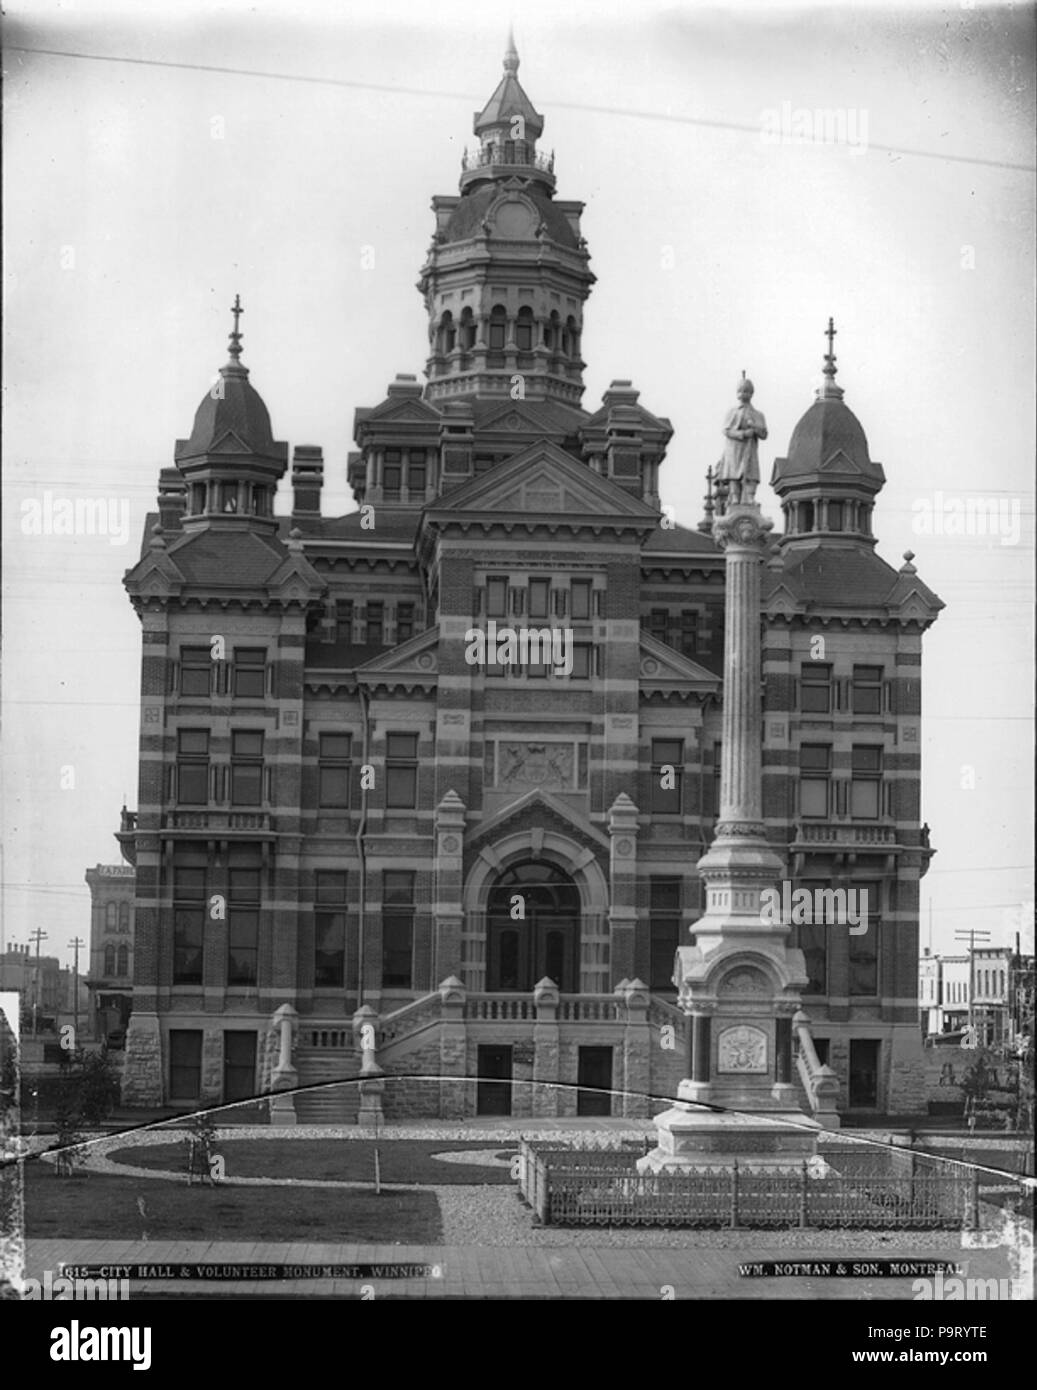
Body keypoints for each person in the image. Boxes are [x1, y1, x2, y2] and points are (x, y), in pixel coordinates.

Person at [717, 374, 768, 504]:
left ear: (751, 393)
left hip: (750, 450)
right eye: (740, 390)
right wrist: (744, 434)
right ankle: (734, 496)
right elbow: (726, 430)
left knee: (750, 473)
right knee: (734, 474)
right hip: (735, 448)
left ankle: (750, 497)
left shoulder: (757, 414)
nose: (743, 393)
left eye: (746, 391)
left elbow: (764, 434)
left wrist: (755, 428)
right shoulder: (732, 412)